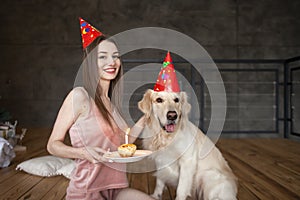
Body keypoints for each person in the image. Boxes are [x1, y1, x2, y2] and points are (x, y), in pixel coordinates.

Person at [47, 18, 154, 200]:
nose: (111, 62)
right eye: (102, 56)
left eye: (115, 56)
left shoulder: (110, 104)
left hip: (116, 190)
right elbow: (52, 145)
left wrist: (146, 117)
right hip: (87, 192)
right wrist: (82, 152)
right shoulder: (79, 96)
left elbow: (124, 143)